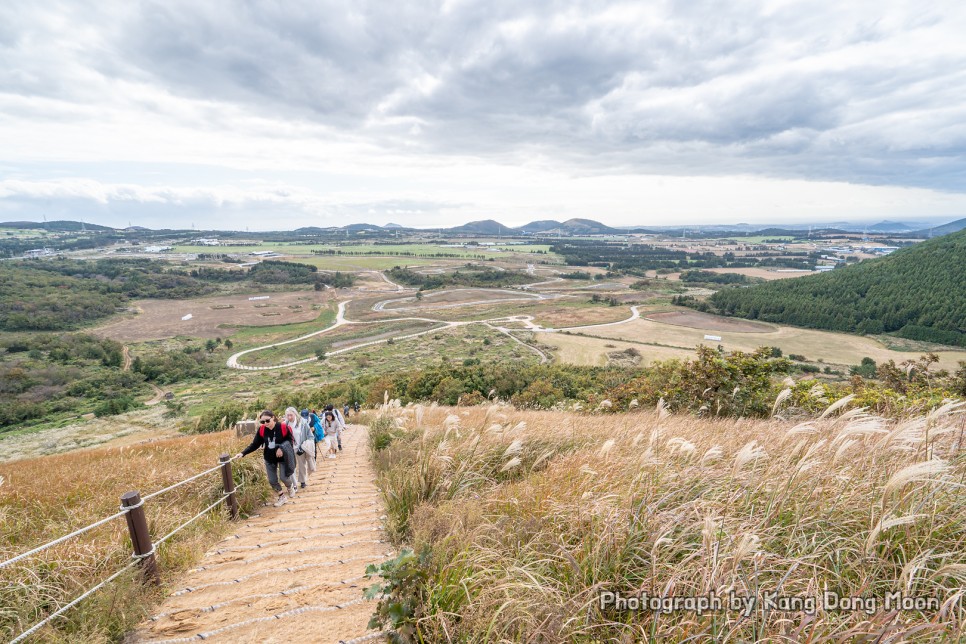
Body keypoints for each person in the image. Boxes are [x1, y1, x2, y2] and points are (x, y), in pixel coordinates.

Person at [236, 410, 297, 507]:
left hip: (283, 457)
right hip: (269, 457)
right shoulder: (262, 430)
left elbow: (291, 440)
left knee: (284, 477)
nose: (265, 424)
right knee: (272, 480)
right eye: (262, 422)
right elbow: (255, 444)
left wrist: (281, 448)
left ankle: (290, 486)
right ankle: (282, 497)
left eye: (267, 421)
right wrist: (243, 453)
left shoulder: (283, 427)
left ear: (273, 417)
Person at [286, 407, 316, 489]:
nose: (289, 417)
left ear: (295, 414)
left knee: (302, 465)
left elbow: (310, 436)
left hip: (300, 447)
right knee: (291, 466)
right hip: (289, 448)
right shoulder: (285, 424)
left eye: (291, 415)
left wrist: (305, 445)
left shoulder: (303, 423)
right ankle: (293, 483)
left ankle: (302, 481)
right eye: (287, 415)